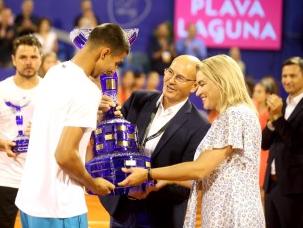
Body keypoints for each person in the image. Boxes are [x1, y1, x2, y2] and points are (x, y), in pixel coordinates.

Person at [119, 54, 265, 228]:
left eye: (202, 84)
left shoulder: (234, 115)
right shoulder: (239, 113)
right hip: (230, 212)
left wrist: (149, 173)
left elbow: (200, 169)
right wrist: (169, 180)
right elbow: (216, 174)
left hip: (233, 215)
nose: (198, 92)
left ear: (221, 81)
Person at [15, 23, 129, 228]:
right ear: (105, 53)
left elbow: (58, 123)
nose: (113, 70)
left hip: (30, 201)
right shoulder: (86, 90)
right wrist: (92, 183)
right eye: (116, 62)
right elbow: (65, 155)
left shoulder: (55, 72)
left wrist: (93, 113)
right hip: (59, 206)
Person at [99, 55, 211, 228]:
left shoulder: (200, 126)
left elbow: (189, 181)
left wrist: (148, 187)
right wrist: (104, 119)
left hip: (160, 217)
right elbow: (114, 147)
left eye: (180, 78)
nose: (171, 81)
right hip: (123, 210)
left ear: (194, 86)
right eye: (170, 72)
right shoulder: (138, 99)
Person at [0, 34, 43, 228]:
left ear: (41, 59)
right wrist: (2, 144)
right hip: (4, 178)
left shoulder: (51, 91)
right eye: (23, 57)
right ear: (13, 59)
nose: (28, 62)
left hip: (41, 180)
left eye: (33, 57)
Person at [262, 56, 303, 228]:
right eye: (284, 76)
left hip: (294, 188)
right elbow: (264, 144)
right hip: (271, 186)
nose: (287, 80)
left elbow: (297, 145)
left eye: (292, 76)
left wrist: (278, 118)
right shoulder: (282, 104)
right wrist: (272, 122)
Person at [252, 76, 279, 189]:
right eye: (254, 91)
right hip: (253, 152)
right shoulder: (252, 108)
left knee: (262, 189)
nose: (255, 94)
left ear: (268, 95)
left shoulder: (270, 113)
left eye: (259, 92)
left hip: (264, 153)